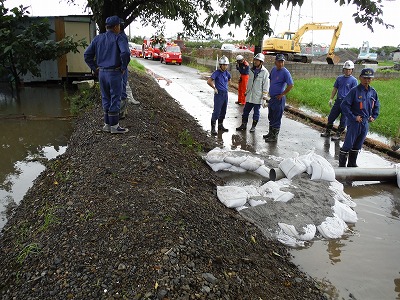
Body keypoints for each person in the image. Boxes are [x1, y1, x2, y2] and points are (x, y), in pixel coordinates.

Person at [84, 15, 130, 134]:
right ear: (115, 27)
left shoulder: (98, 39)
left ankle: (107, 125)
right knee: (115, 98)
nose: (119, 28)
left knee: (105, 98)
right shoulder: (118, 38)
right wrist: (124, 67)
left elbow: (87, 55)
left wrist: (95, 68)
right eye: (119, 25)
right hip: (114, 72)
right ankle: (114, 126)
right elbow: (125, 53)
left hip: (102, 73)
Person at [339, 68, 380, 167]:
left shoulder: (372, 92)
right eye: (365, 78)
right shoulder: (354, 91)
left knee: (358, 144)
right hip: (354, 122)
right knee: (348, 144)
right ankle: (341, 166)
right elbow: (344, 105)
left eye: (369, 78)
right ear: (360, 78)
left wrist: (373, 116)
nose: (367, 80)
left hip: (365, 123)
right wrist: (353, 117)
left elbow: (377, 105)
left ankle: (352, 164)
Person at [321, 60, 358, 140]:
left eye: (349, 69)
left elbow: (354, 94)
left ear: (352, 70)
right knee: (331, 117)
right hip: (338, 101)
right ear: (343, 69)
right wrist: (331, 98)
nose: (347, 71)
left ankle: (338, 134)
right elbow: (335, 89)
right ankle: (328, 131)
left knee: (343, 119)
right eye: (346, 69)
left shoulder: (354, 81)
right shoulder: (339, 78)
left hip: (347, 103)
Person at [236, 53, 270, 133]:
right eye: (255, 60)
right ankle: (243, 125)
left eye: (257, 60)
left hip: (258, 96)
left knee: (256, 113)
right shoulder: (251, 70)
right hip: (250, 95)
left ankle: (253, 127)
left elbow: (266, 85)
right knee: (245, 111)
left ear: (261, 62)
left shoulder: (265, 72)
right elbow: (249, 82)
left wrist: (264, 97)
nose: (255, 62)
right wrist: (246, 92)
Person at [263, 54, 294, 142]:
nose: (281, 64)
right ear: (275, 62)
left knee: (277, 117)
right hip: (272, 97)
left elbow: (291, 85)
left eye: (282, 62)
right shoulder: (273, 70)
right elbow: (271, 80)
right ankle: (270, 133)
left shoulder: (285, 72)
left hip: (279, 98)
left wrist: (282, 94)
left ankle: (274, 136)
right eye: (279, 62)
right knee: (271, 116)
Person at [207, 55, 231, 135]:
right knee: (217, 111)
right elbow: (209, 81)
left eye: (226, 65)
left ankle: (220, 125)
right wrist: (214, 88)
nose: (225, 66)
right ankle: (213, 128)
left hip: (225, 94)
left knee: (223, 111)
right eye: (224, 65)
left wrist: (228, 86)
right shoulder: (216, 73)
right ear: (220, 65)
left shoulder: (227, 73)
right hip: (219, 94)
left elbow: (229, 81)